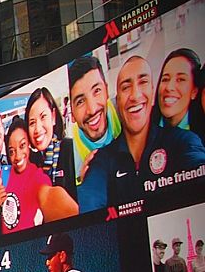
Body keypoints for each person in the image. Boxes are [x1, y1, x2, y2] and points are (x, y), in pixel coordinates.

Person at [79, 56, 205, 212]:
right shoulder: (103, 159)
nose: (135, 95)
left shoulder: (183, 142)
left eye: (143, 82)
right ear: (117, 101)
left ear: (153, 92)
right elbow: (89, 203)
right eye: (126, 87)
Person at [0, 117, 77, 234]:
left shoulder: (38, 177)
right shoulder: (3, 174)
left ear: (29, 145)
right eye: (11, 151)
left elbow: (49, 196)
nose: (17, 156)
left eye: (22, 145)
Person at [69, 55, 122, 185]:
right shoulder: (69, 153)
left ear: (107, 91)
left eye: (97, 91)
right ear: (72, 113)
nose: (92, 110)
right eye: (80, 101)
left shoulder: (123, 111)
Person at [26, 87, 78, 200]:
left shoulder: (70, 149)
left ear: (53, 117)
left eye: (43, 117)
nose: (37, 129)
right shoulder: (33, 161)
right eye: (32, 122)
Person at [152, 48, 204, 141]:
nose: (169, 87)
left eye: (180, 79)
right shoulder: (145, 125)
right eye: (165, 79)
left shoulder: (200, 135)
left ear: (194, 92)